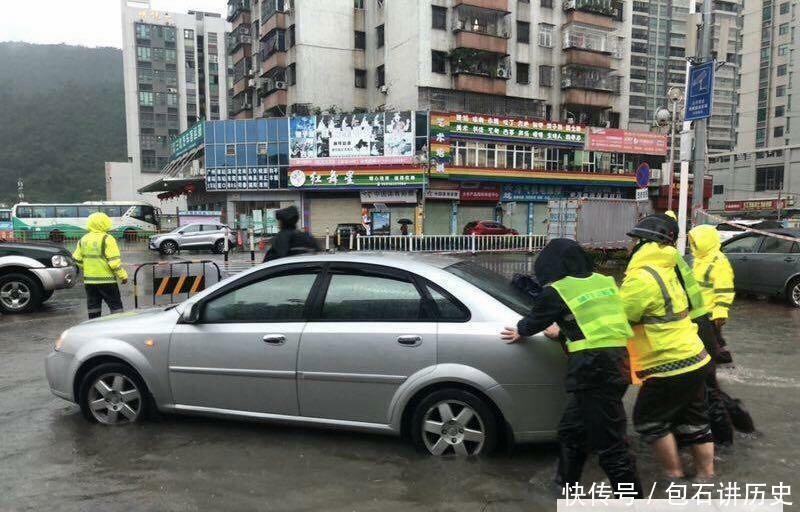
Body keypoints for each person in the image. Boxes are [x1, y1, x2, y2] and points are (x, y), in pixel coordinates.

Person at [501, 239, 643, 498]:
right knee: (572, 430)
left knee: (610, 446)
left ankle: (632, 501)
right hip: (618, 362)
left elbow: (534, 321)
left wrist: (520, 331)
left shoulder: (557, 290)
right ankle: (565, 489)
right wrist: (565, 334)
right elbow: (598, 321)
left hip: (594, 367)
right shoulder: (604, 281)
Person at [622, 215, 714, 480]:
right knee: (693, 421)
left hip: (668, 365)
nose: (629, 246)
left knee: (649, 421)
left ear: (643, 243)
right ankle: (707, 478)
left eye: (633, 241)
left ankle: (674, 476)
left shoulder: (641, 277)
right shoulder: (666, 269)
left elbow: (621, 319)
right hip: (695, 358)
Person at [688, 225, 736, 365]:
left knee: (709, 345)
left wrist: (720, 313)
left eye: (695, 242)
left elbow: (725, 289)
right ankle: (718, 360)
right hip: (698, 312)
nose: (693, 245)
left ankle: (714, 367)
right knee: (710, 343)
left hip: (710, 314)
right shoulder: (699, 259)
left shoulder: (718, 261)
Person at [72, 212, 128, 319]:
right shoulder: (107, 238)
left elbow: (77, 259)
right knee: (116, 307)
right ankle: (118, 328)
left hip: (89, 282)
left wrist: (88, 267)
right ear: (105, 223)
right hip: (107, 281)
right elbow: (114, 263)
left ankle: (94, 329)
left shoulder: (83, 239)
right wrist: (123, 276)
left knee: (93, 308)